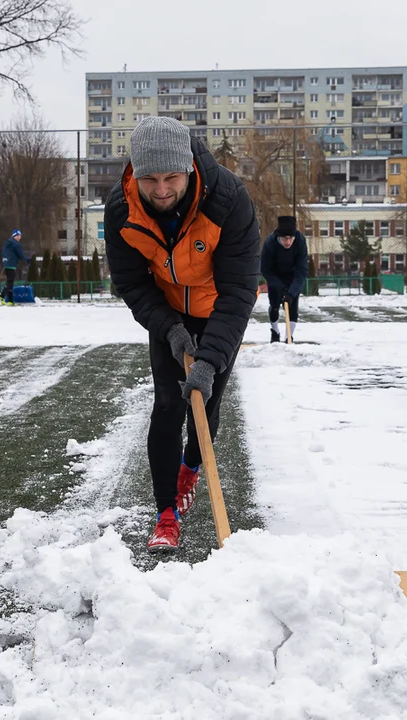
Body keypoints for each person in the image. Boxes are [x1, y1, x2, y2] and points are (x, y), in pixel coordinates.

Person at [105, 116, 261, 553]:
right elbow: (133, 283)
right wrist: (170, 329)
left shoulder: (228, 200)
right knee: (168, 405)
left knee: (205, 404)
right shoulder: (121, 207)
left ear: (189, 167)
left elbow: (239, 290)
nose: (160, 190)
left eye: (171, 177)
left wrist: (210, 358)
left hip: (217, 313)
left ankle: (192, 466)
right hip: (168, 314)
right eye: (149, 178)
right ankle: (166, 512)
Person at [260, 216, 309, 343]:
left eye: (290, 238)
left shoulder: (300, 241)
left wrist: (291, 293)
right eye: (284, 238)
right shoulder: (270, 243)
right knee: (274, 305)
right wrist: (279, 287)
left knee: (292, 306)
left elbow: (302, 271)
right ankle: (275, 331)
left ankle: (289, 336)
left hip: (293, 276)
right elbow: (266, 269)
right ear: (278, 236)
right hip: (275, 276)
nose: (288, 242)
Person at [0, 229, 33, 305]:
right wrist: (27, 260)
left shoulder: (7, 243)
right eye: (19, 236)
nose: (20, 237)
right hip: (11, 264)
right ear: (16, 236)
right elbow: (20, 255)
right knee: (10, 282)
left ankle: (1, 296)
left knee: (9, 280)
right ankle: (10, 301)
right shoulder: (16, 244)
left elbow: (3, 253)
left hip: (6, 263)